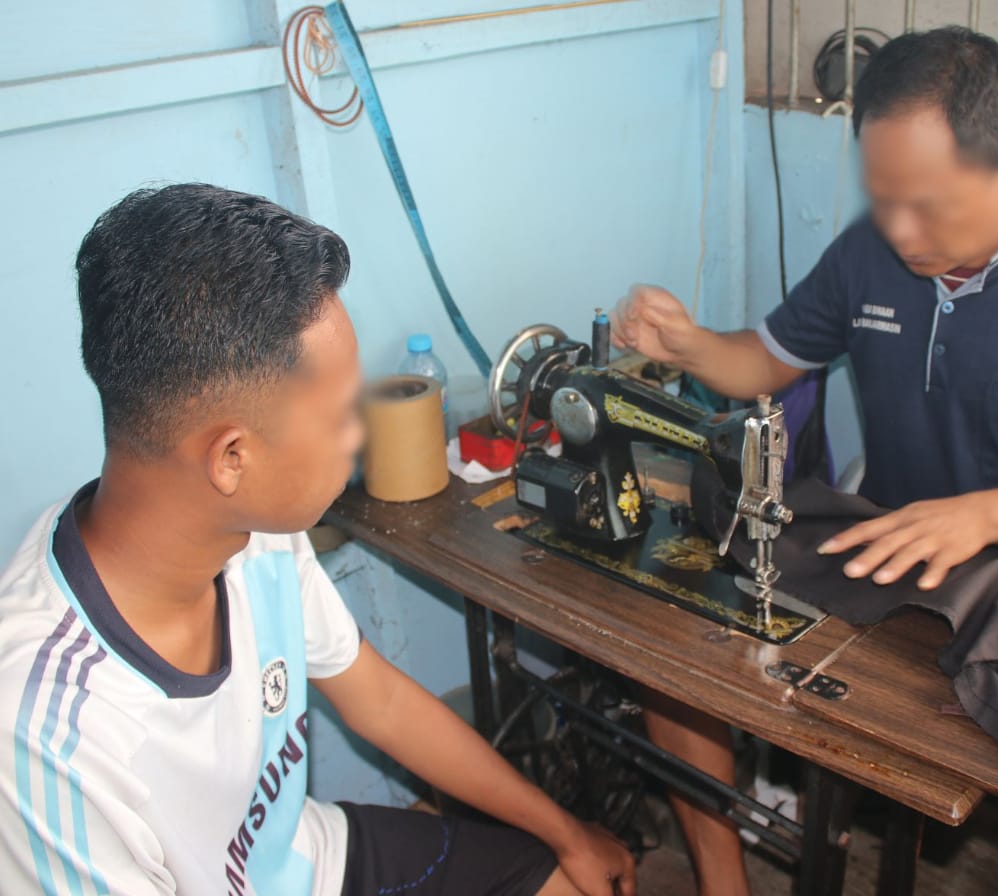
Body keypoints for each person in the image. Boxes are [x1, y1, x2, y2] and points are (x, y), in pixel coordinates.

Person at [613, 26, 998, 896]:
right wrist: (687, 342)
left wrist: (986, 515)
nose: (899, 230)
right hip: (886, 567)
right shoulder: (868, 250)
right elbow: (764, 362)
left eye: (924, 206)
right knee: (671, 658)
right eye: (881, 200)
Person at [0, 184, 636, 896]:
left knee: (567, 882)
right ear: (232, 458)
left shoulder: (252, 533)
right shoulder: (48, 741)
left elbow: (379, 701)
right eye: (338, 417)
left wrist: (565, 833)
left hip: (313, 863)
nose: (357, 436)